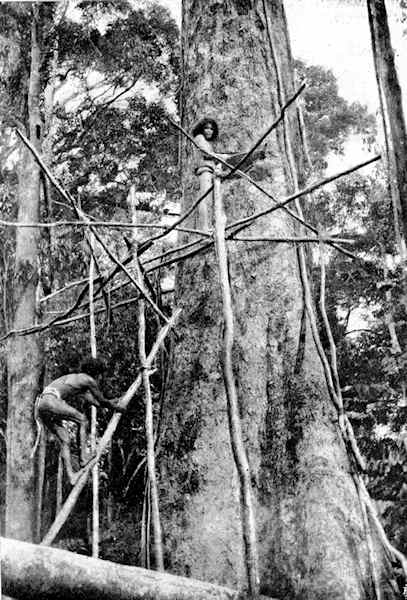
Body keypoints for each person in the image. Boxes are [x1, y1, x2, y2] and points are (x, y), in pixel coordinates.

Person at [31, 357, 124, 485]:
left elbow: (97, 403)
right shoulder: (88, 379)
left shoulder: (77, 381)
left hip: (42, 405)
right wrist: (118, 408)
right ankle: (83, 458)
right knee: (82, 420)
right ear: (97, 373)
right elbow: (103, 401)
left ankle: (71, 476)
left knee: (65, 439)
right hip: (51, 401)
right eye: (101, 375)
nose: (101, 379)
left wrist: (116, 401)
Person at [192, 117, 267, 229]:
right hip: (205, 171)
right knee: (205, 200)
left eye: (211, 129)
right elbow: (206, 153)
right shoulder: (199, 137)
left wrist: (224, 157)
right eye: (206, 128)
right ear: (201, 129)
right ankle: (204, 228)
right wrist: (223, 156)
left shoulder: (208, 142)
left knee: (235, 164)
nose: (209, 131)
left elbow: (212, 155)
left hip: (212, 172)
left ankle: (255, 155)